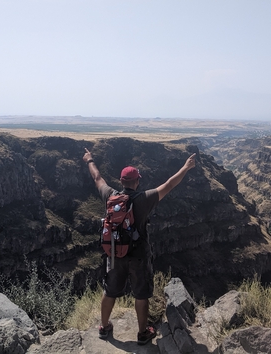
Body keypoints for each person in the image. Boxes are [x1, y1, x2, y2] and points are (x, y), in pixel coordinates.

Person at [83, 148, 196, 346]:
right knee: (141, 293)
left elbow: (97, 177)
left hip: (114, 254)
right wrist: (186, 167)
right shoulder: (144, 199)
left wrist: (89, 159)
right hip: (138, 256)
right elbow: (169, 184)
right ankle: (143, 333)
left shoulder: (111, 196)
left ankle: (104, 326)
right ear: (137, 182)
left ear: (121, 181)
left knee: (110, 291)